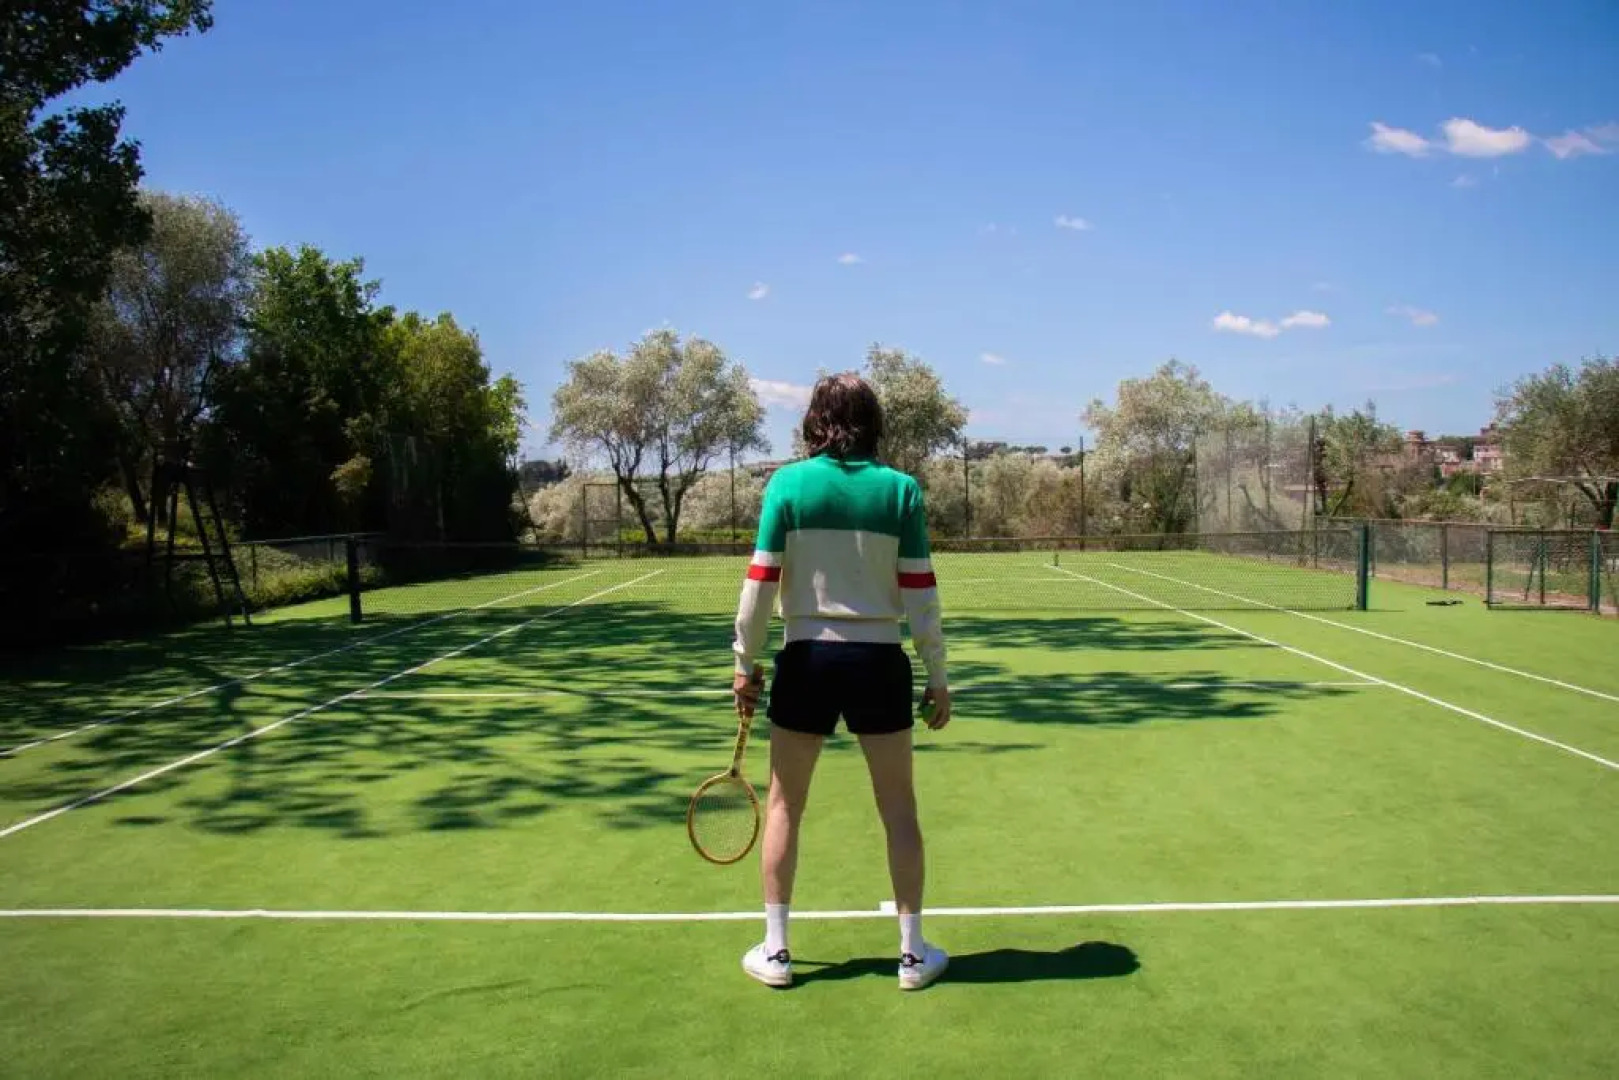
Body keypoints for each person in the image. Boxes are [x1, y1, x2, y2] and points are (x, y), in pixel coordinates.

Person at [730, 371, 952, 991]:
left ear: (815, 421)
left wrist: (743, 665)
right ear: (871, 420)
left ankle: (776, 953)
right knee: (899, 808)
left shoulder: (788, 485)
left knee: (784, 806)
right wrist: (938, 675)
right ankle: (912, 958)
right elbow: (921, 593)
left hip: (808, 659)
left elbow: (758, 587)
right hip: (880, 662)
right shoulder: (900, 491)